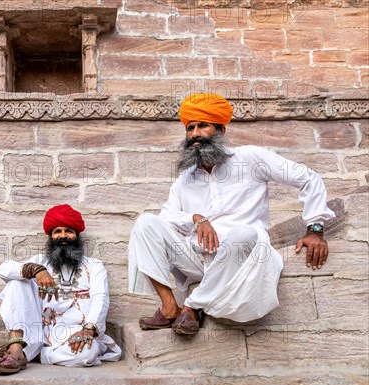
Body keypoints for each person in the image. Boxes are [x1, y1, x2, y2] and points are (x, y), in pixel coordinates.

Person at [128, 93, 335, 335]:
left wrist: (315, 228)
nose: (194, 134)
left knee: (243, 233)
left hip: (242, 257)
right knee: (145, 223)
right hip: (197, 260)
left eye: (202, 125)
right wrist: (195, 219)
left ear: (221, 131)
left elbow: (308, 177)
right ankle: (169, 306)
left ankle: (193, 307)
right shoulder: (185, 178)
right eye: (190, 127)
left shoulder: (250, 158)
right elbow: (166, 218)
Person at [0, 204, 121, 375]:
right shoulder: (40, 260)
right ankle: (16, 348)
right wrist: (36, 270)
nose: (63, 236)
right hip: (40, 333)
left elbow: (101, 298)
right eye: (57, 232)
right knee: (17, 281)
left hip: (77, 332)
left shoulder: (94, 265)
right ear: (51, 237)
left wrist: (89, 329)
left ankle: (31, 356)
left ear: (77, 236)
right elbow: (3, 269)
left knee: (87, 354)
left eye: (69, 231)